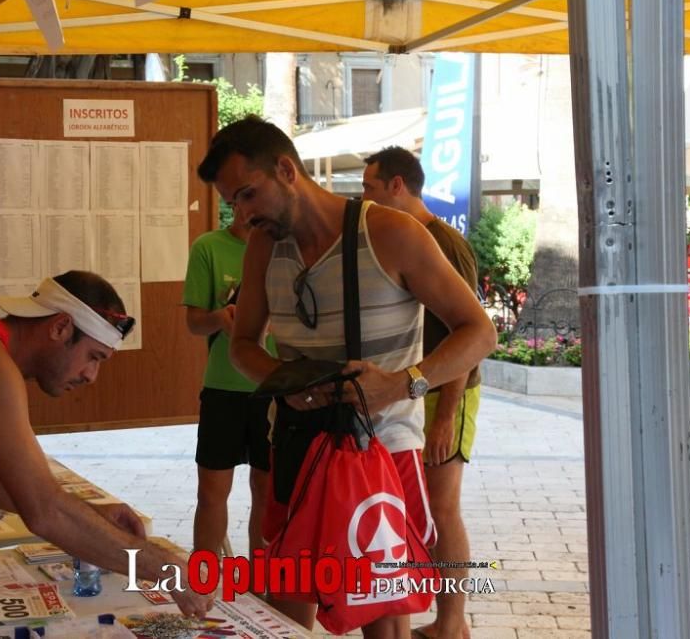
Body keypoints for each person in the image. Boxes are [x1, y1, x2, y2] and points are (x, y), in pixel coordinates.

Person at [197, 116, 495, 636]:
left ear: (286, 170)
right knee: (286, 612)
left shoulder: (389, 233)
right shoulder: (265, 249)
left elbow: (479, 332)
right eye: (233, 203)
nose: (242, 216)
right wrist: (288, 381)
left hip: (381, 453)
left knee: (383, 619)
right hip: (296, 448)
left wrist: (406, 383)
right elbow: (243, 345)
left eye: (248, 195)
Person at [0, 272, 214, 619]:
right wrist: (161, 567)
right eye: (93, 356)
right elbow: (44, 511)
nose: (91, 376)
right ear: (60, 327)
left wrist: (92, 516)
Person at [361, 147, 481, 639]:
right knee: (419, 508)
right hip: (413, 391)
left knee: (443, 508)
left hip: (443, 393)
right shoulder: (399, 239)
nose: (364, 199)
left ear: (396, 186)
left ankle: (451, 625)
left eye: (370, 187)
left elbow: (469, 334)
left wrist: (445, 415)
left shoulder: (442, 243)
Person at [183, 201, 275, 560]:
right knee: (210, 492)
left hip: (273, 388)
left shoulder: (287, 248)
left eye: (255, 198)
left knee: (266, 492)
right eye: (240, 199)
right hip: (223, 389)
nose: (248, 208)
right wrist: (221, 319)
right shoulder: (208, 247)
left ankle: (260, 583)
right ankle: (202, 577)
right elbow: (193, 322)